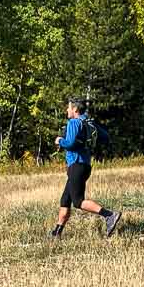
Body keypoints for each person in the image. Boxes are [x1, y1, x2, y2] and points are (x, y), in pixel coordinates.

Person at [50, 98, 122, 239]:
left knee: (78, 201)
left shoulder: (74, 122)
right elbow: (105, 137)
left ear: (75, 110)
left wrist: (60, 141)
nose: (67, 110)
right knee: (65, 199)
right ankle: (56, 232)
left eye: (69, 108)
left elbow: (70, 144)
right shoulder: (89, 122)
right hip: (85, 165)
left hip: (76, 164)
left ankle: (109, 215)